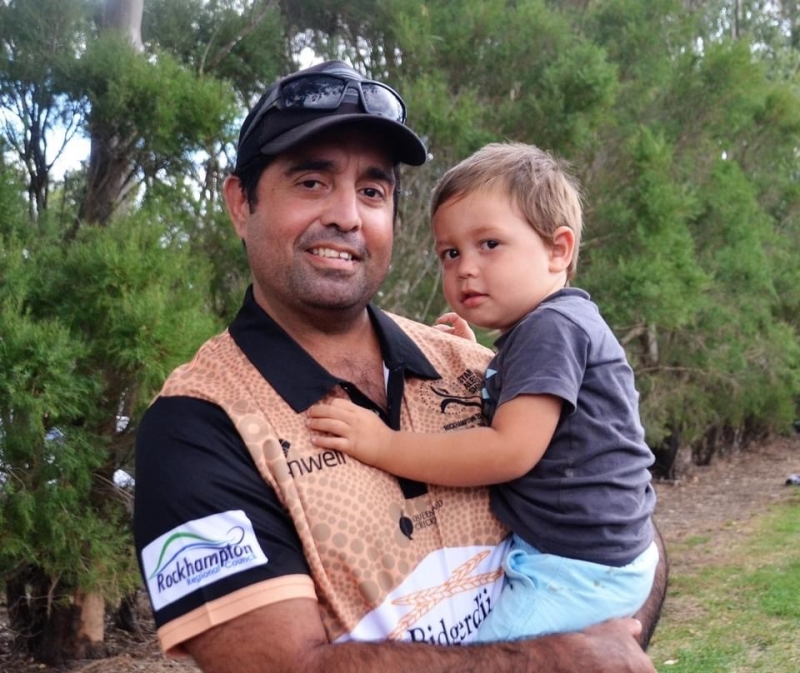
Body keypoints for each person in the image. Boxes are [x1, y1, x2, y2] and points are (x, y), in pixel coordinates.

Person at [133, 59, 667, 672]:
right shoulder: (196, 428)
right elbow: (282, 668)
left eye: (373, 191)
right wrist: (562, 660)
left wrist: (607, 644)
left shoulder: (471, 359)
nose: (348, 216)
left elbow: (621, 518)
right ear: (239, 203)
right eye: (312, 182)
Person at [308, 141, 659, 642]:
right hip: (597, 552)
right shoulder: (552, 328)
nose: (465, 267)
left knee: (486, 660)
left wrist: (382, 444)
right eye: (450, 253)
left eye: (489, 244)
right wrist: (488, 364)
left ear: (558, 250)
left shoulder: (550, 330)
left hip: (576, 568)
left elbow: (509, 450)